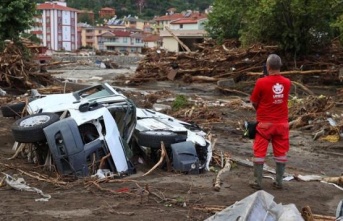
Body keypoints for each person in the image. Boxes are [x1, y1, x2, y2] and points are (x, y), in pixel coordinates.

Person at [249, 54, 291, 190]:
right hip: (282, 125)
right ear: (280, 66)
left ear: (267, 67)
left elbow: (254, 101)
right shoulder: (287, 82)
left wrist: (260, 110)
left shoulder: (261, 82)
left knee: (259, 153)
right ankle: (279, 182)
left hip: (264, 125)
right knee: (281, 153)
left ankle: (257, 182)